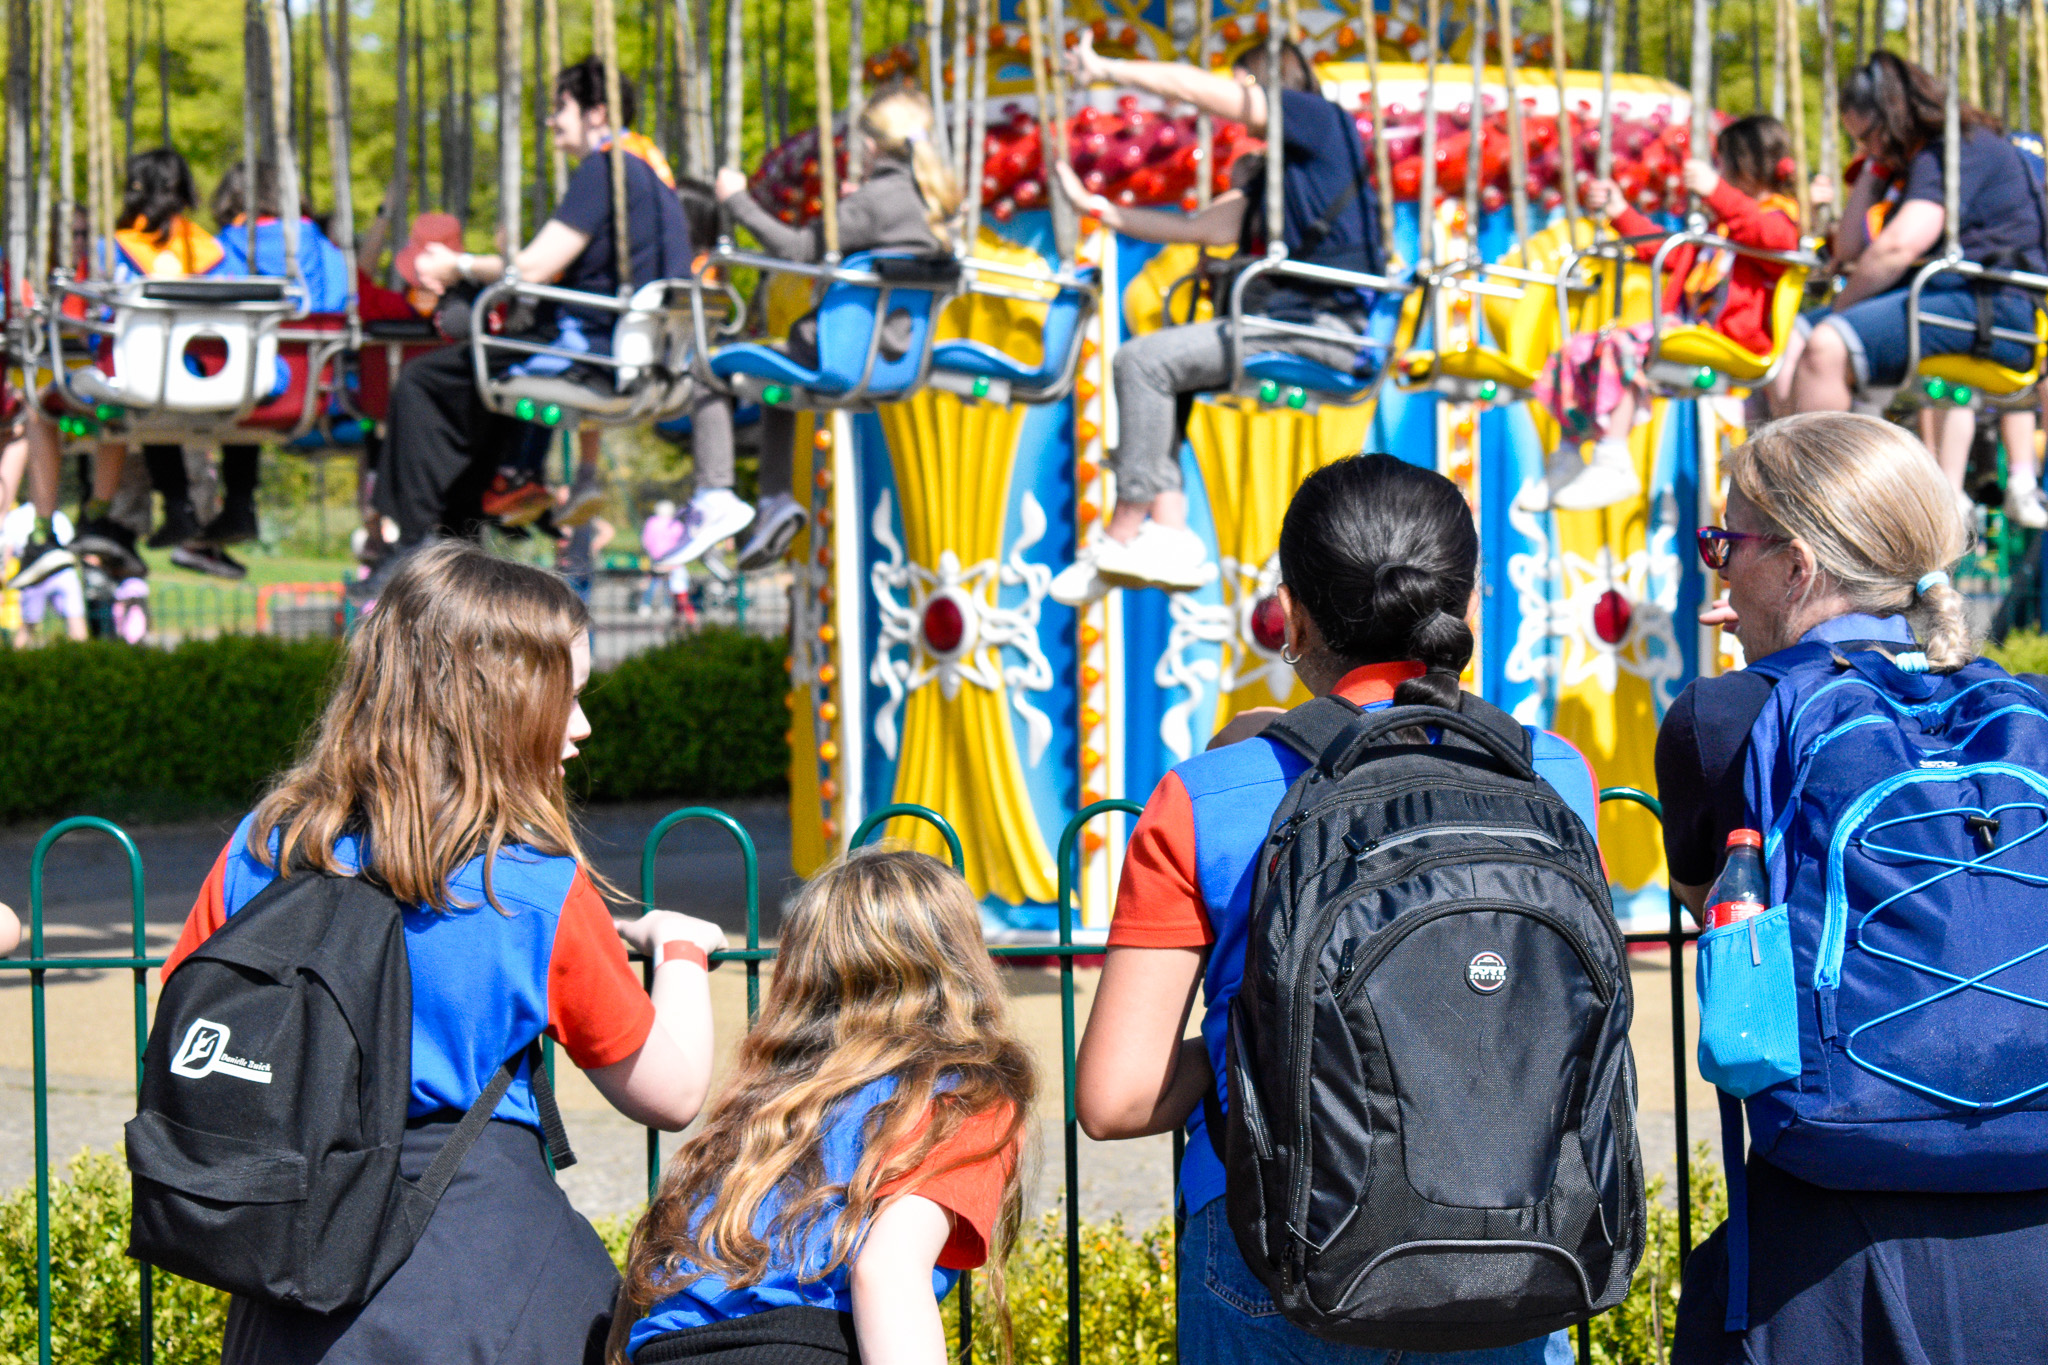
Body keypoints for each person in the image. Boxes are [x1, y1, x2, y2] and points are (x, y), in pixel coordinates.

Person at [1076, 453, 1588, 1365]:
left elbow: (1115, 1099)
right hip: (1510, 1246)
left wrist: (1263, 1036)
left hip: (1279, 1251)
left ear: (1294, 616)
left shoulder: (1209, 795)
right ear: (1463, 605)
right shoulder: (1551, 775)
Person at [161, 540, 726, 1363]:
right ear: (499, 704)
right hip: (485, 1290)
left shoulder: (265, 845)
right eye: (565, 698)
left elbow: (183, 1023)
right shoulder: (529, 889)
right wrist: (678, 949)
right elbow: (671, 1093)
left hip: (288, 1291)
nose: (582, 726)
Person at [1657, 411, 2048, 1362]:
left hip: (1829, 1233)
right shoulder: (2022, 710)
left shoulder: (1719, 718)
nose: (1716, 569)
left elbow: (1722, 915)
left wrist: (1751, 677)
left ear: (1795, 565)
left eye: (1725, 543)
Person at [610, 846, 1034, 1364]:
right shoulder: (963, 1094)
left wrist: (679, 946)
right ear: (962, 959)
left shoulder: (769, 1103)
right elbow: (888, 1271)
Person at [1047, 34, 1384, 605]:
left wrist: (1106, 66)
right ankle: (1161, 533)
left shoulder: (1322, 123)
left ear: (1257, 84)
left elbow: (1189, 87)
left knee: (1141, 360)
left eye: (1241, 88)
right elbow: (1195, 230)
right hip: (1289, 326)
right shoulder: (1282, 180)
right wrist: (1099, 211)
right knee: (1167, 370)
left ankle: (1127, 528)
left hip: (1318, 331)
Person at [374, 57, 691, 591]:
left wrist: (460, 266)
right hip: (634, 349)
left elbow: (536, 267)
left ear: (598, 113)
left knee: (420, 386)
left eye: (560, 107)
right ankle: (458, 536)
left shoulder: (605, 169)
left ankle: (410, 547)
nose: (551, 121)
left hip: (590, 346)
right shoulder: (653, 178)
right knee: (476, 389)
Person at [704, 84, 961, 575]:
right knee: (774, 379)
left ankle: (713, 493)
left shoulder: (872, 202)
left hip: (833, 357)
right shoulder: (934, 203)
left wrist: (738, 201)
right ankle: (774, 499)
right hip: (897, 362)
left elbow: (798, 249)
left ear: (869, 145)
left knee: (711, 366)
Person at [1792, 53, 2048, 515]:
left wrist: (1840, 309)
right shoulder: (1910, 162)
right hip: (1947, 298)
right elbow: (1850, 247)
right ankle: (1793, 466)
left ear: (1893, 116)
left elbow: (1898, 247)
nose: (1870, 148)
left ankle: (1823, 503)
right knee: (1794, 338)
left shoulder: (1955, 147)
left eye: (1870, 136)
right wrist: (1872, 168)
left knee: (1827, 344)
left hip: (1995, 306)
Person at [1526, 116, 1803, 512]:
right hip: (1693, 328)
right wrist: (1621, 211)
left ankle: (1614, 458)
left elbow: (1775, 240)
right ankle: (1569, 451)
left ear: (1747, 164)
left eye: (1725, 165)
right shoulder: (1722, 227)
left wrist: (1716, 192)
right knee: (1581, 348)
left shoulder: (1775, 218)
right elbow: (1669, 253)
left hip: (1730, 339)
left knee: (1624, 346)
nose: (1719, 173)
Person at [1, 503, 86, 643]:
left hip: (34, 573)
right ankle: (85, 656)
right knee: (76, 620)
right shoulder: (58, 515)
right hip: (62, 571)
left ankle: (17, 659)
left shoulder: (16, 516)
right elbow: (70, 543)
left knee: (28, 627)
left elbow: (8, 550)